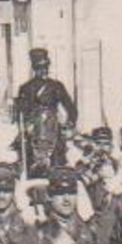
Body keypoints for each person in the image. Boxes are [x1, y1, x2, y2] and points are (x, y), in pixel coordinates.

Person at [11, 48, 78, 178]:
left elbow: (71, 108)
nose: (43, 70)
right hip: (32, 129)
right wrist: (24, 127)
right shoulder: (26, 88)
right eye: (40, 67)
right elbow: (20, 113)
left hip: (52, 126)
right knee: (25, 155)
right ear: (34, 69)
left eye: (46, 67)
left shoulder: (56, 86)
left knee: (58, 155)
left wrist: (69, 125)